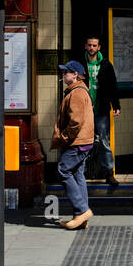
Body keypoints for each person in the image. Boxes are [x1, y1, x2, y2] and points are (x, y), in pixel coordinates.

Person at [55, 60, 95, 230]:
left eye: (66, 72)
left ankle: (82, 210)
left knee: (63, 170)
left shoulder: (77, 93)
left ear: (75, 75)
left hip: (77, 141)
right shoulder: (77, 90)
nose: (63, 75)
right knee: (78, 174)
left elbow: (76, 121)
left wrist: (64, 137)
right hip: (83, 141)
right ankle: (81, 217)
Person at [83, 35, 121, 191]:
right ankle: (81, 173)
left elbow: (113, 86)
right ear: (86, 46)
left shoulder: (106, 65)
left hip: (101, 109)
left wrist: (116, 105)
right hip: (85, 110)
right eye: (89, 45)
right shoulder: (80, 63)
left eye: (94, 45)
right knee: (83, 141)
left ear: (99, 48)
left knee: (104, 141)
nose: (92, 48)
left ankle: (109, 173)